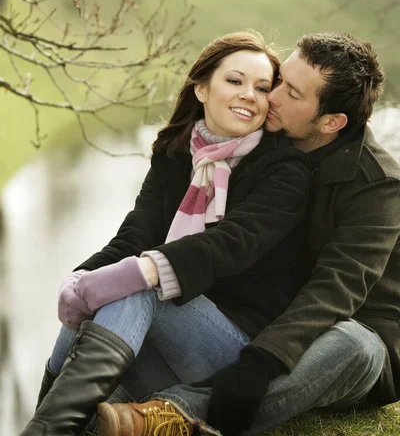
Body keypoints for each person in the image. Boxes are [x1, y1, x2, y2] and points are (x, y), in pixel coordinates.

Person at [95, 32, 400, 436]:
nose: (269, 97)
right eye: (278, 80)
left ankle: (176, 416)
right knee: (143, 286)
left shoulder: (377, 186)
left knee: (355, 344)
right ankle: (89, 412)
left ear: (331, 122)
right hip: (257, 324)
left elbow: (336, 290)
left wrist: (262, 360)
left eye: (290, 93)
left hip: (342, 337)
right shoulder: (264, 144)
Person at [20, 31, 312, 436]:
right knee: (98, 295)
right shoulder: (174, 155)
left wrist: (137, 273)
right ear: (202, 87)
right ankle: (48, 425)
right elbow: (135, 234)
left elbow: (230, 245)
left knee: (138, 285)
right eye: (235, 81)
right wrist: (81, 279)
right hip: (164, 347)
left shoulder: (284, 170)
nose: (250, 95)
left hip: (233, 353)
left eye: (262, 88)